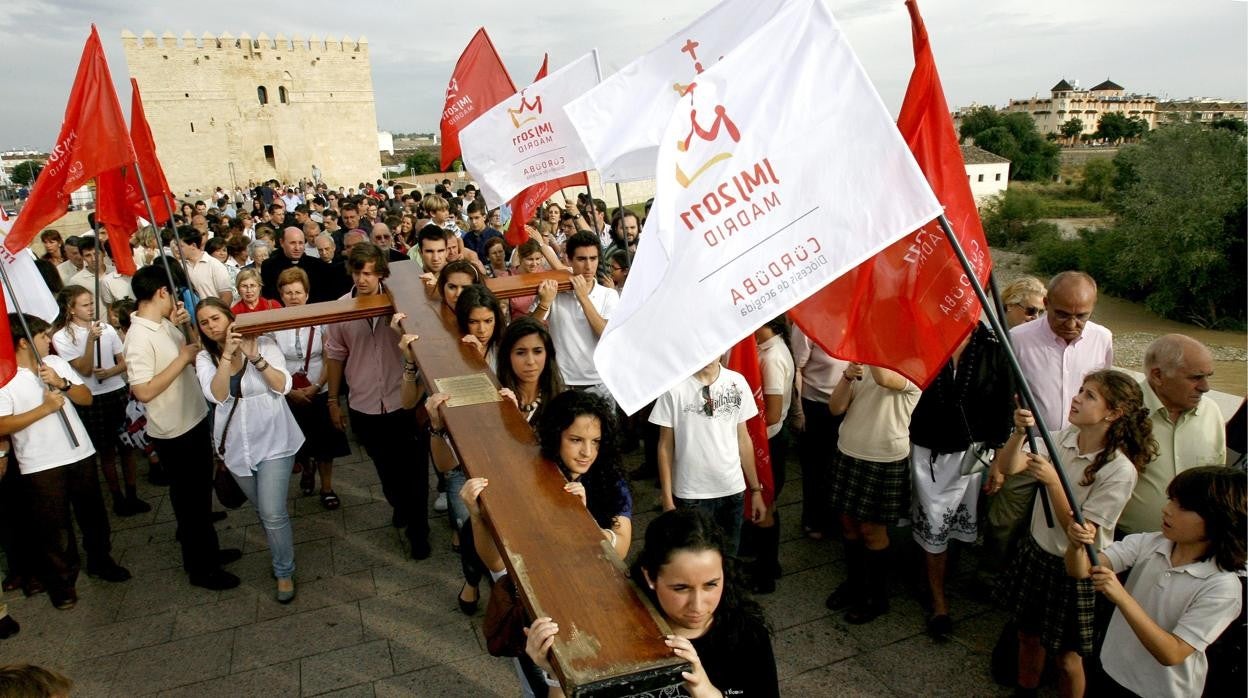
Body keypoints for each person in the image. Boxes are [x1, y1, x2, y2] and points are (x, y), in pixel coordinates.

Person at [990, 369, 1156, 698]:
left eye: (1090, 395)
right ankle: (1025, 691)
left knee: (1067, 657)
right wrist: (1019, 434)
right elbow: (1010, 467)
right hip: (1037, 552)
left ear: (1114, 413)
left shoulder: (1119, 470)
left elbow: (1081, 535)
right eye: (1081, 390)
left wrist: (1052, 481)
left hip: (1074, 569)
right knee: (1027, 635)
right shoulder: (1064, 438)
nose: (1077, 397)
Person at [463, 390, 633, 695]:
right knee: (541, 687)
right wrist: (477, 516)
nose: (587, 452)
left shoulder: (610, 479)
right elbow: (496, 562)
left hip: (596, 606)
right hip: (538, 611)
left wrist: (585, 521)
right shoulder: (527, 477)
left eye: (595, 441)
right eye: (576, 440)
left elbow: (621, 548)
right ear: (556, 436)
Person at [525, 509, 779, 698]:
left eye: (711, 584)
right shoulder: (613, 629)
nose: (698, 605)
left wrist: (704, 689)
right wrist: (558, 673)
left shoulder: (747, 636)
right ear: (650, 577)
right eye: (681, 588)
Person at [1065, 466, 1245, 697]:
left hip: (1159, 691)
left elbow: (1172, 653)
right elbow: (1079, 570)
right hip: (1110, 668)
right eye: (1171, 500)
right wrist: (1076, 545)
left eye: (1183, 507)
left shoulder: (1222, 587)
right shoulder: (1151, 543)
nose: (1167, 510)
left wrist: (1121, 597)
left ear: (1220, 521)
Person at [0, 314, 131, 611]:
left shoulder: (55, 365)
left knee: (93, 514)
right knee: (54, 527)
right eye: (43, 336)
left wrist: (62, 384)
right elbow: (1, 424)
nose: (49, 340)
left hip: (79, 452)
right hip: (40, 462)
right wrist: (44, 409)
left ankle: (101, 560)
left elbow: (85, 398)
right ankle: (61, 582)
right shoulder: (5, 378)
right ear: (24, 342)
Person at [988, 271, 1114, 575]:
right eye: (1062, 315)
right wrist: (997, 455)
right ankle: (992, 575)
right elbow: (999, 399)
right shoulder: (1018, 339)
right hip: (1029, 448)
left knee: (1063, 523)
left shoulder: (1102, 338)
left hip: (1076, 452)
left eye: (1081, 316)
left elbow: (1107, 396)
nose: (1072, 324)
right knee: (1005, 519)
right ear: (1046, 303)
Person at [125, 265, 240, 590]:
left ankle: (208, 553)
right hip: (174, 433)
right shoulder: (138, 337)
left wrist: (186, 330)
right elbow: (142, 390)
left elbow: (194, 353)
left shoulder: (161, 324)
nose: (176, 298)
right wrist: (181, 359)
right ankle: (202, 569)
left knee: (199, 500)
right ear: (162, 291)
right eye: (173, 291)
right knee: (190, 505)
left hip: (192, 419)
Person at [324, 243, 431, 559]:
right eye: (358, 272)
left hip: (405, 404)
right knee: (387, 472)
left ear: (382, 273)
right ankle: (399, 505)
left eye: (369, 272)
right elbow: (335, 354)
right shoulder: (341, 307)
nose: (363, 279)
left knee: (415, 473)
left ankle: (419, 533)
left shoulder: (402, 304)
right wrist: (332, 400)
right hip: (365, 405)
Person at [907, 323, 1014, 638]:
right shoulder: (923, 338)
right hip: (924, 448)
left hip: (970, 453)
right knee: (932, 520)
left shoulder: (993, 346)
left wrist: (997, 463)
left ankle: (937, 578)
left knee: (951, 524)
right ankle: (939, 601)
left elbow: (1004, 406)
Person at [194, 298, 302, 603]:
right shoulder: (205, 357)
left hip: (274, 440)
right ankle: (280, 551)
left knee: (272, 511)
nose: (212, 326)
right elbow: (217, 395)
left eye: (216, 318)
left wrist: (256, 359)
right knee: (263, 510)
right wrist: (227, 356)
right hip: (236, 447)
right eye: (204, 322)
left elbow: (283, 386)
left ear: (230, 317)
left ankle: (283, 571)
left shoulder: (263, 342)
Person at [825, 362, 921, 624]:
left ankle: (876, 597)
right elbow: (835, 408)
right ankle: (854, 584)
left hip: (884, 459)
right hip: (849, 450)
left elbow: (885, 380)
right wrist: (847, 376)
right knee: (848, 524)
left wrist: (871, 349)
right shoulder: (864, 364)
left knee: (872, 530)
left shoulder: (916, 367)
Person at [650, 356, 766, 556]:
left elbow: (743, 438)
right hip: (691, 494)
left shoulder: (737, 382)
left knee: (728, 558)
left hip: (732, 490)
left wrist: (755, 490)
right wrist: (667, 498)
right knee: (693, 559)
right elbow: (665, 446)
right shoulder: (674, 388)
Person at [51, 286, 150, 516]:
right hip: (91, 397)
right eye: (85, 305)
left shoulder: (106, 328)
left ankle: (133, 493)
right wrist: (89, 342)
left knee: (127, 446)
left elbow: (124, 361)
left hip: (116, 391)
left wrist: (112, 371)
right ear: (71, 309)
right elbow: (83, 370)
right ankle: (117, 497)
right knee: (106, 450)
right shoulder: (62, 336)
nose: (91, 308)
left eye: (91, 303)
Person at [1118, 335, 1226, 537]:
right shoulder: (1116, 411)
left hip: (1190, 549)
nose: (1205, 387)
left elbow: (1216, 481)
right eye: (1195, 377)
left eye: (1207, 376)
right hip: (1121, 546)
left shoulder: (1212, 413)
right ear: (1158, 376)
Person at [272, 267, 349, 508]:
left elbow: (331, 357)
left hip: (319, 387)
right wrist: (288, 390)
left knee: (325, 444)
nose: (293, 297)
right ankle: (306, 467)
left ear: (307, 293)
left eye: (297, 292)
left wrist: (316, 387)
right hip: (287, 390)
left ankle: (327, 487)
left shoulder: (321, 320)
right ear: (280, 296)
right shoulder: (274, 323)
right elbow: (272, 361)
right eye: (287, 292)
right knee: (297, 441)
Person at [533, 232, 619, 408]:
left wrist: (583, 298)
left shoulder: (609, 295)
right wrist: (544, 303)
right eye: (581, 259)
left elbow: (605, 333)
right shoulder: (554, 291)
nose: (588, 266)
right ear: (569, 260)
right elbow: (529, 328)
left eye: (593, 258)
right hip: (562, 383)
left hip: (599, 383)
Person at [748, 316, 795, 594]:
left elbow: (774, 413)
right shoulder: (767, 349)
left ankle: (765, 575)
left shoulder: (774, 356)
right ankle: (768, 563)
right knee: (766, 506)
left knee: (764, 507)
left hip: (770, 442)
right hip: (767, 440)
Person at [789, 324, 847, 541]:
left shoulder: (857, 317)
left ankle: (836, 520)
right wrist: (799, 411)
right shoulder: (809, 323)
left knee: (839, 468)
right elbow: (797, 368)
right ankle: (813, 519)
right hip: (815, 405)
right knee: (815, 467)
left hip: (849, 406)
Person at [495, 317, 566, 427]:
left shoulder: (560, 402)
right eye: (521, 353)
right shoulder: (495, 396)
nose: (530, 361)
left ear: (548, 354)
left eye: (537, 351)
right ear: (507, 356)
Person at [176, 227, 234, 305]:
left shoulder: (214, 265)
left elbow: (227, 296)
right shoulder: (179, 266)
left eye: (181, 246)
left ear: (193, 245)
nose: (176, 249)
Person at [456, 285, 505, 366]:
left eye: (488, 321)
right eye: (473, 322)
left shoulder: (505, 345)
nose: (482, 330)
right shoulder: (456, 346)